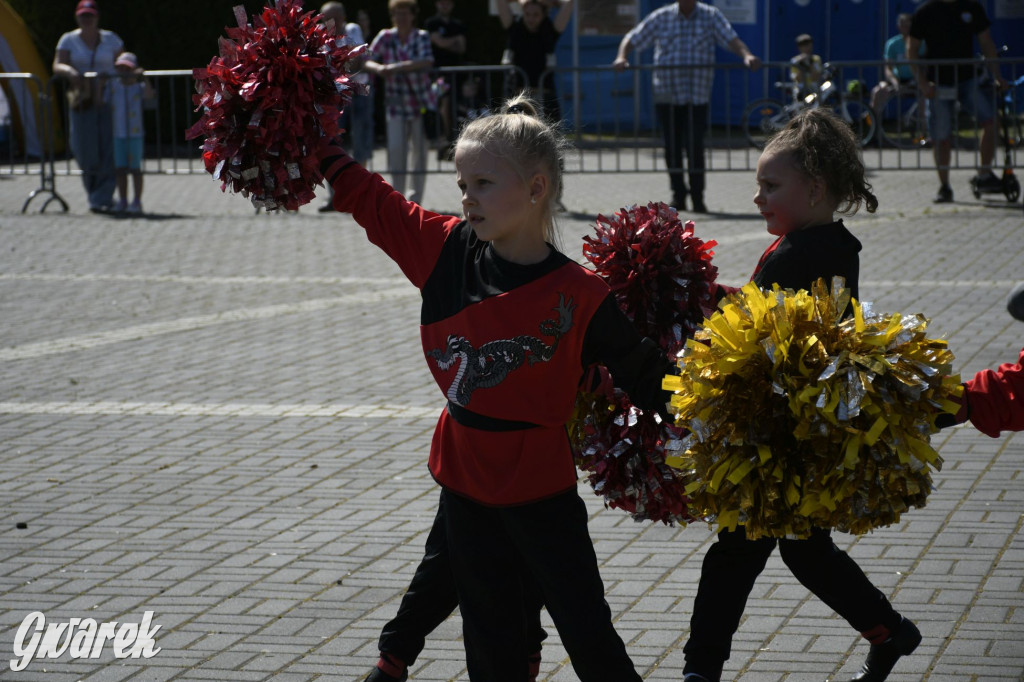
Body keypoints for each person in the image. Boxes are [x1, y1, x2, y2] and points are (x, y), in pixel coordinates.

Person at [320, 92, 671, 681]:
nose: (466, 197)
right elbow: (374, 202)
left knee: (587, 630)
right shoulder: (445, 249)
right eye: (462, 183)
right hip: (466, 481)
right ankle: (404, 659)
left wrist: (725, 409)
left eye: (482, 183)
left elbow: (644, 374)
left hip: (540, 490)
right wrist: (320, 152)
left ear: (536, 189)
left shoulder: (581, 295)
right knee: (489, 638)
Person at [682, 109, 922, 682]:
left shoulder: (798, 255)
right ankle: (890, 632)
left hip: (779, 439)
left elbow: (761, 330)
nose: (759, 197)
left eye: (771, 186)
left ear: (814, 190)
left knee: (737, 554)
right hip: (801, 432)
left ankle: (699, 671)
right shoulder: (831, 244)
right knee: (803, 550)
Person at [613, 0, 761, 214]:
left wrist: (747, 55)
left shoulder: (710, 15)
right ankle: (678, 195)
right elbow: (632, 37)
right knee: (672, 146)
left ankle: (698, 197)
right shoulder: (661, 16)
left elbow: (731, 39)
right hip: (667, 93)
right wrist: (622, 57)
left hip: (697, 94)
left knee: (695, 146)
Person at [907, 0, 1008, 204]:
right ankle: (945, 186)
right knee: (942, 137)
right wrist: (923, 84)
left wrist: (997, 76)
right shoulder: (926, 12)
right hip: (939, 83)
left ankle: (984, 174)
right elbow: (912, 50)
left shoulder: (971, 7)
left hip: (968, 80)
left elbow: (986, 42)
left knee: (991, 121)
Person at [52, 0, 124, 213]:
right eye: (83, 15)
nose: (87, 19)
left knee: (108, 148)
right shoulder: (68, 39)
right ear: (77, 17)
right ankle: (94, 192)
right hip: (82, 102)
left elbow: (124, 61)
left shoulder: (110, 38)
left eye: (90, 15)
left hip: (108, 100)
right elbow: (57, 64)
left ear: (97, 17)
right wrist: (70, 72)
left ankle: (103, 196)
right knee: (85, 149)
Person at [365, 0, 434, 206]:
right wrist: (379, 69)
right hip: (395, 104)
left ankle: (416, 199)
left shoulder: (421, 36)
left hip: (420, 102)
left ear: (413, 15)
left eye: (404, 13)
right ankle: (398, 198)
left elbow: (427, 60)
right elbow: (366, 58)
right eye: (396, 14)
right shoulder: (385, 36)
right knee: (396, 150)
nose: (401, 18)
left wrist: (397, 67)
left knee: (419, 152)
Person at [318, 1, 373, 212]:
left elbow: (357, 59)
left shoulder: (352, 29)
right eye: (325, 18)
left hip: (357, 93)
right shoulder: (321, 35)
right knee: (333, 144)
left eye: (332, 18)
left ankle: (361, 193)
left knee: (361, 142)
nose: (328, 23)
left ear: (342, 18)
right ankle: (336, 197)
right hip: (334, 96)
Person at [496, 0, 574, 123]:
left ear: (543, 14)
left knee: (548, 133)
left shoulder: (550, 30)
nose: (531, 18)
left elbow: (568, 3)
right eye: (527, 14)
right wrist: (522, 1)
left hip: (544, 95)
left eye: (536, 14)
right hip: (517, 95)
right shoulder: (515, 28)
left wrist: (544, 2)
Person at [109, 51, 152, 214]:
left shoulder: (137, 87)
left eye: (127, 69)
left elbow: (149, 96)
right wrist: (101, 83)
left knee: (135, 169)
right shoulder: (113, 86)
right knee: (120, 169)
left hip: (135, 134)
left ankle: (137, 200)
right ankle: (123, 199)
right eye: (121, 69)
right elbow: (101, 101)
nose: (124, 73)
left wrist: (144, 78)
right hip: (117, 133)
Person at [424, 0, 466, 156]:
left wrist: (446, 42)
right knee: (443, 103)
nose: (445, 5)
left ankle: (453, 140)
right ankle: (444, 138)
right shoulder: (432, 23)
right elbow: (439, 43)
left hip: (456, 74)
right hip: (438, 75)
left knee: (455, 106)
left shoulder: (458, 24)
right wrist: (452, 41)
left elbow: (461, 47)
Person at [869, 14, 920, 116]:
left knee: (926, 93)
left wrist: (919, 79)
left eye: (908, 26)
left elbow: (925, 65)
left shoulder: (919, 43)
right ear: (898, 27)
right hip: (898, 79)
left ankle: (923, 128)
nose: (906, 29)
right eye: (903, 26)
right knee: (877, 92)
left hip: (916, 79)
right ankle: (873, 126)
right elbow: (888, 68)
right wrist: (895, 82)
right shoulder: (892, 44)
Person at [789, 34, 824, 101]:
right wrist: (802, 64)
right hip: (800, 88)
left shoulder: (816, 59)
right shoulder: (795, 61)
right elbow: (798, 79)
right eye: (804, 45)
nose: (808, 48)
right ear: (799, 47)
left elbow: (816, 77)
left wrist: (810, 63)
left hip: (814, 88)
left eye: (809, 45)